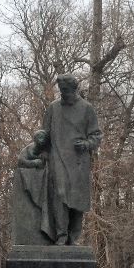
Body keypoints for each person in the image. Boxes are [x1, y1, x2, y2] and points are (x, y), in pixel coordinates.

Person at [41, 74, 101, 245]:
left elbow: (96, 135)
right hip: (57, 157)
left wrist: (87, 143)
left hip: (79, 162)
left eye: (66, 91)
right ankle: (61, 234)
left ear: (74, 90)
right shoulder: (53, 108)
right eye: (61, 91)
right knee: (60, 196)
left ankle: (73, 237)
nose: (63, 94)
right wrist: (42, 153)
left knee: (78, 200)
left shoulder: (87, 108)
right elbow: (43, 133)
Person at [11, 129, 57, 245]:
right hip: (29, 173)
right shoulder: (28, 149)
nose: (41, 141)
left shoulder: (47, 151)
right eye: (39, 138)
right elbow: (21, 161)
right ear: (35, 139)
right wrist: (34, 163)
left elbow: (50, 162)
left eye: (43, 139)